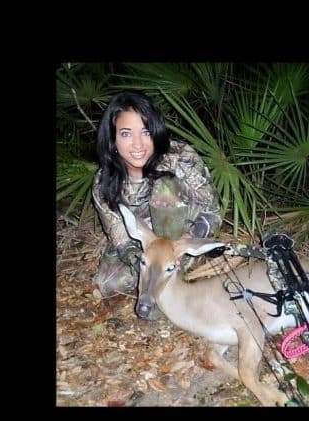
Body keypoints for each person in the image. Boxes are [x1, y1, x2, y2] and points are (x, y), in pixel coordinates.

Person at [91, 92, 222, 304]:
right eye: (126, 134)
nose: (137, 145)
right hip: (145, 247)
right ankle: (163, 277)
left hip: (181, 239)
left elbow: (213, 209)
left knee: (165, 188)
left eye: (145, 132)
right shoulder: (104, 182)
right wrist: (144, 262)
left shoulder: (180, 157)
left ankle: (183, 268)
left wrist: (190, 238)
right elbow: (122, 239)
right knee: (109, 283)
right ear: (113, 139)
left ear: (156, 131)